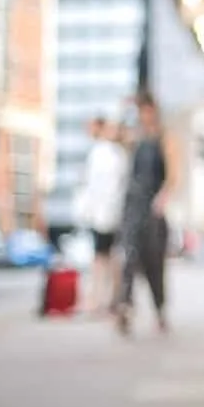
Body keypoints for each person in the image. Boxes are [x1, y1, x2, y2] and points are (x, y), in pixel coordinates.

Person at [114, 92, 179, 335]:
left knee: (154, 263)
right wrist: (123, 110)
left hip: (153, 207)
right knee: (128, 256)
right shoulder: (135, 136)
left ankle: (160, 310)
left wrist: (162, 199)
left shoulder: (165, 137)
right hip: (132, 204)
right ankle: (125, 306)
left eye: (147, 110)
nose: (144, 115)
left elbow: (173, 175)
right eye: (140, 111)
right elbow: (114, 135)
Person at [74, 117, 129, 316]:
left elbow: (95, 187)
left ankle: (100, 300)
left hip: (105, 214)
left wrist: (88, 211)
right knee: (110, 258)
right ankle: (112, 299)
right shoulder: (116, 153)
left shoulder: (103, 153)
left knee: (102, 259)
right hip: (109, 214)